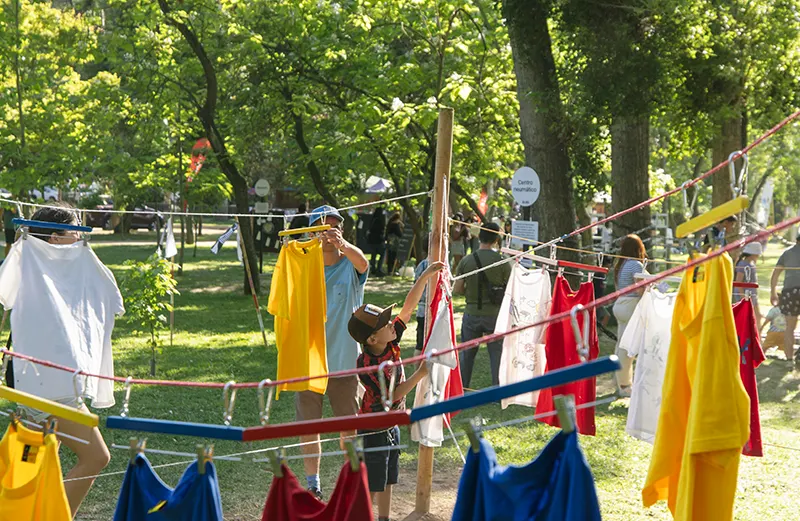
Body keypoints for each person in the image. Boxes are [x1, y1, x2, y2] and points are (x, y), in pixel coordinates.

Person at [4, 202, 112, 516]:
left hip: (34, 375)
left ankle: (28, 513)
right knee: (96, 456)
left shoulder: (71, 263)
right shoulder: (25, 260)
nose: (79, 239)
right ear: (53, 239)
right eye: (72, 232)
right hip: (48, 381)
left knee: (39, 458)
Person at [347, 261, 443, 521]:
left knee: (389, 476)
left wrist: (423, 277)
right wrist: (421, 373)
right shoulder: (367, 366)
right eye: (385, 324)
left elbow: (408, 309)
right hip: (374, 427)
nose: (392, 325)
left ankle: (384, 518)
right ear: (372, 340)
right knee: (374, 482)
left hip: (393, 422)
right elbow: (393, 395)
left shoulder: (389, 340)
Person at [297, 205, 369, 499]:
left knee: (347, 424)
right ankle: (312, 482)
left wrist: (344, 245)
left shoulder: (350, 265)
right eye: (322, 227)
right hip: (308, 360)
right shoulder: (302, 265)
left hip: (343, 360)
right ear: (312, 230)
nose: (328, 232)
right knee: (309, 424)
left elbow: (363, 263)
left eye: (334, 226)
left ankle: (350, 478)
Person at [453, 222, 511, 387]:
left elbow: (457, 289)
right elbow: (509, 289)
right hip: (494, 314)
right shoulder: (502, 261)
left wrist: (471, 292)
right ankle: (496, 390)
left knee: (466, 355)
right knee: (496, 355)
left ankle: (462, 387)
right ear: (495, 240)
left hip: (472, 312)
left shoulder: (466, 261)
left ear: (479, 237)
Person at [612, 234, 647, 397]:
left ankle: (619, 382)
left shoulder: (622, 264)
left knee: (621, 345)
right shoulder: (635, 265)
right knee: (628, 349)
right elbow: (640, 288)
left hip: (620, 304)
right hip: (631, 306)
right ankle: (624, 385)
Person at [770, 233, 800, 363]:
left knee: (790, 328)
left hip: (790, 292)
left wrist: (773, 292)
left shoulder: (787, 253)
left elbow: (776, 273)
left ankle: (789, 360)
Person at [733, 242, 762, 324]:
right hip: (744, 294)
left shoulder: (751, 264)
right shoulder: (743, 264)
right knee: (748, 317)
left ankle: (756, 335)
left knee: (757, 316)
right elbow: (739, 281)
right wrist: (743, 297)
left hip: (751, 294)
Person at [368, 206, 387, 276]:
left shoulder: (372, 219)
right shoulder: (380, 220)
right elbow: (381, 230)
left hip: (372, 240)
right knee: (382, 254)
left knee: (373, 255)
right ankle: (379, 269)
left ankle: (373, 269)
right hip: (379, 240)